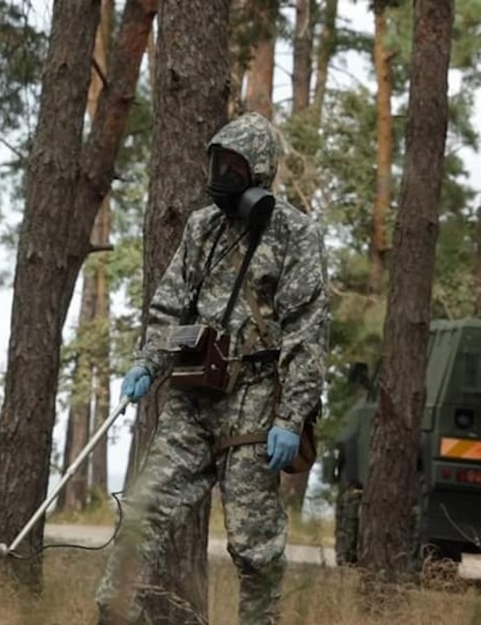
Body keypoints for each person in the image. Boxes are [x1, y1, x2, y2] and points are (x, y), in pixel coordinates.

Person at [96, 112, 329, 625]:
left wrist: (291, 419)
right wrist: (146, 363)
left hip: (253, 408)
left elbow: (307, 336)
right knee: (141, 514)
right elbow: (168, 308)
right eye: (217, 163)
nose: (222, 175)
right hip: (191, 400)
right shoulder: (202, 228)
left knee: (253, 546)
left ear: (259, 171)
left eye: (235, 166)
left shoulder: (296, 234)